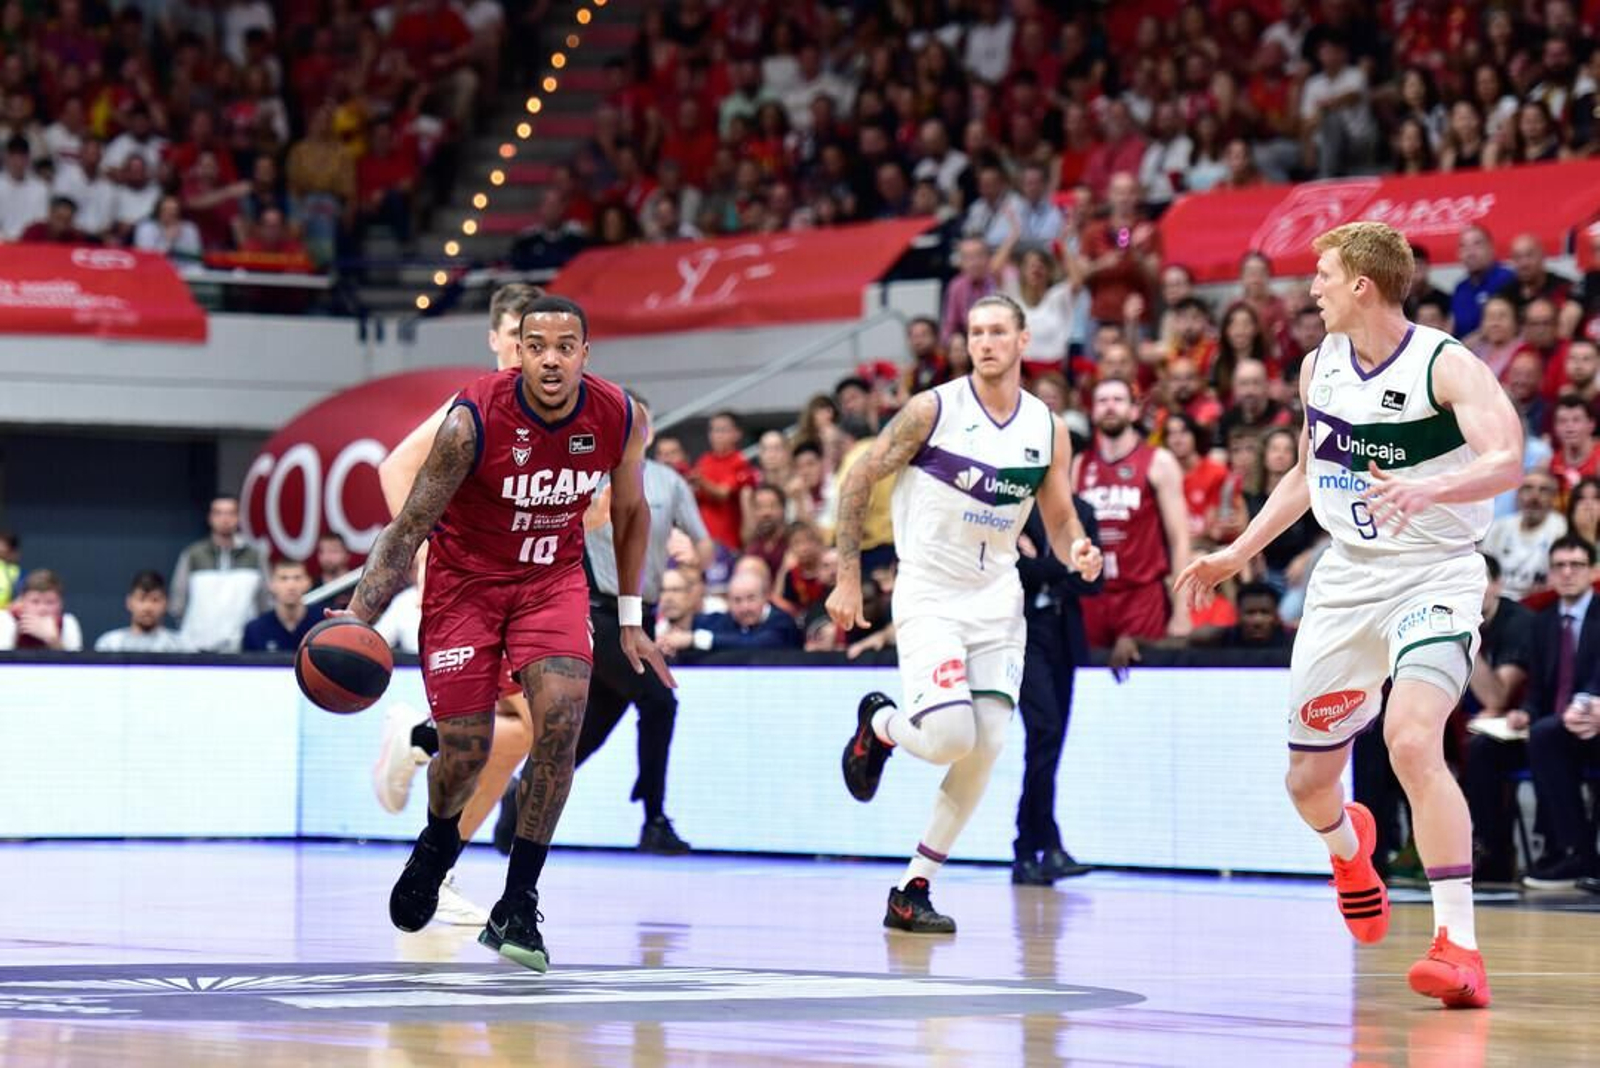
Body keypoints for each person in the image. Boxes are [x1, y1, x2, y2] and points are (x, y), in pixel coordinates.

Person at [1177, 221, 1524, 1009]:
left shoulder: (1446, 364)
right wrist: (1239, 550)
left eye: (1323, 276)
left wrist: (1430, 488)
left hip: (1434, 574)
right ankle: (1348, 846)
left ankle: (1458, 948)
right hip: (1346, 583)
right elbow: (1307, 472)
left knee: (1410, 739)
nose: (1312, 288)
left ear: (1362, 285)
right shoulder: (1318, 367)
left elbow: (1508, 456)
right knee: (1307, 781)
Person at [342, 294, 673, 973]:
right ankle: (438, 843)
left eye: (566, 345)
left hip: (550, 584)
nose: (552, 358)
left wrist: (634, 620)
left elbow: (633, 514)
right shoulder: (470, 422)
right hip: (466, 587)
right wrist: (357, 617)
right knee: (469, 749)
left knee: (560, 722)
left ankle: (518, 902)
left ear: (585, 354)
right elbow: (407, 527)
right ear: (517, 352)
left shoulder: (620, 416)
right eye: (538, 345)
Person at [827, 294, 1103, 933]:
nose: (985, 342)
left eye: (998, 331)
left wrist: (1078, 550)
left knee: (988, 745)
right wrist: (847, 578)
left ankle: (912, 889)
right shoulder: (933, 410)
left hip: (997, 601)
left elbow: (1058, 517)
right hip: (929, 594)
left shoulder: (1046, 427)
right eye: (975, 332)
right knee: (951, 737)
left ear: (1023, 341)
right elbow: (858, 480)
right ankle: (883, 725)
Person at [370, 283, 543, 926]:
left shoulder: (549, 410)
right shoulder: (475, 402)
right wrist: (416, 549)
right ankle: (419, 741)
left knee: (521, 734)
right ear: (497, 339)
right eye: (517, 331)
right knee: (527, 721)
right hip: (473, 586)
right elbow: (395, 470)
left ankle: (438, 858)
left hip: (520, 586)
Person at [574, 396, 715, 855]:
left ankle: (518, 799)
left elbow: (703, 543)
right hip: (597, 612)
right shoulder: (586, 478)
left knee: (586, 736)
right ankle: (653, 819)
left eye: (642, 422)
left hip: (644, 614)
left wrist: (697, 567)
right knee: (659, 700)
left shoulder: (668, 482)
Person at [1011, 497, 1102, 885]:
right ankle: (1036, 846)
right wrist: (1066, 564)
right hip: (1022, 633)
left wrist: (1046, 568)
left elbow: (1096, 580)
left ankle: (1036, 847)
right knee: (1043, 730)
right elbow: (1016, 573)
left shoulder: (1082, 512)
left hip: (1063, 633)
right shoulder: (1011, 505)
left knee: (1051, 741)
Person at [1075, 377, 1193, 647]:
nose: (1110, 407)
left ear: (1134, 410)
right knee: (1087, 685)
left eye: (1118, 400)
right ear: (1093, 411)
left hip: (1141, 595)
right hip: (1092, 595)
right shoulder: (1079, 465)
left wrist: (1181, 610)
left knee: (1142, 684)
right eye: (1102, 401)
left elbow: (1180, 539)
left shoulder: (1159, 462)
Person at [95, 570, 189, 652]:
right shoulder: (109, 645)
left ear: (165, 604)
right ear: (129, 602)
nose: (148, 607)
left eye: (155, 599)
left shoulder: (180, 647)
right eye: (141, 599)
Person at [240, 559, 318, 652]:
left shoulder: (321, 624)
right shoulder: (255, 629)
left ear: (308, 583)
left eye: (297, 578)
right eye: (283, 578)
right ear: (271, 585)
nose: (291, 586)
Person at [0, 569, 83, 651]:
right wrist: (16, 633)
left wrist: (53, 640)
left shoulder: (67, 622)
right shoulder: (5, 619)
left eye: (50, 602)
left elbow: (77, 663)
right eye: (35, 602)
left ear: (61, 604)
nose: (42, 609)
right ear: (22, 602)